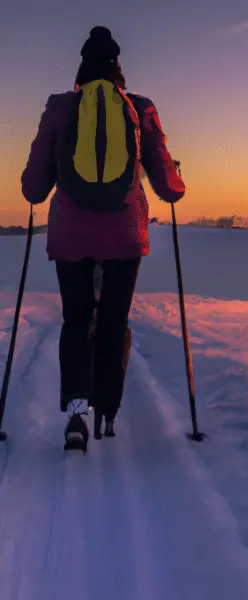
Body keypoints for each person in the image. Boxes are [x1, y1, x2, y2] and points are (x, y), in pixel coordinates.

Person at [20, 26, 185, 450]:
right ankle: (108, 416)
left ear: (81, 69)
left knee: (76, 320)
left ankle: (76, 413)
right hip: (124, 235)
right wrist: (175, 182)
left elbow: (36, 188)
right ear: (118, 70)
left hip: (71, 236)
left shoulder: (59, 108)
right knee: (113, 324)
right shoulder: (139, 107)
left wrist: (38, 182)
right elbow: (168, 185)